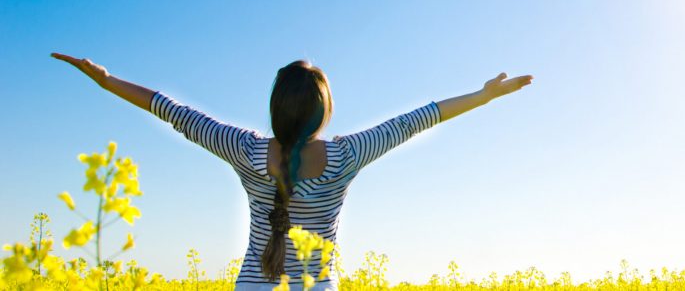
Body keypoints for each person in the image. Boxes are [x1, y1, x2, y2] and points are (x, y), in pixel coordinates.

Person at [51, 52, 533, 290]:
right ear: (324, 110)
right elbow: (416, 120)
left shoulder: (242, 149)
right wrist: (483, 96)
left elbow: (171, 110)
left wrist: (106, 79)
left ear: (275, 108)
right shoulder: (347, 156)